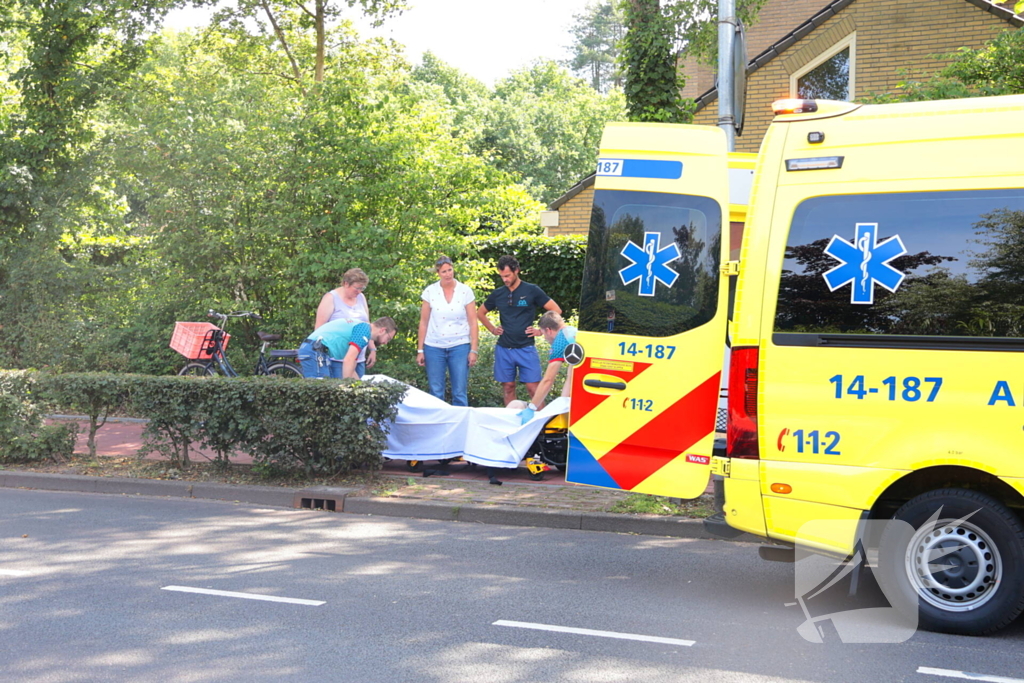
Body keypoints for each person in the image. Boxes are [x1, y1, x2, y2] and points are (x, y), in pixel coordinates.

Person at [476, 254, 561, 406]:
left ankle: (541, 426)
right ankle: (513, 424)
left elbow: (556, 310)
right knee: (508, 387)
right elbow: (480, 312)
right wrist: (492, 329)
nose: (505, 279)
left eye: (507, 275)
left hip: (526, 348)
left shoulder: (532, 290)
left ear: (516, 271)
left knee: (534, 389)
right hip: (504, 348)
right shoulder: (499, 293)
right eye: (502, 276)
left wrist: (540, 331)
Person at [416, 256, 478, 406]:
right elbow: (423, 322)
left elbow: (473, 323)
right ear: (438, 273)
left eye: (450, 270)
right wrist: (420, 350)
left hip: (460, 345)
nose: (448, 274)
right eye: (444, 271)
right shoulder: (430, 291)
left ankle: (460, 426)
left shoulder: (465, 291)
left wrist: (474, 350)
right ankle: (438, 426)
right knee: (436, 391)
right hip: (434, 346)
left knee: (459, 391)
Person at [516, 311, 576, 424]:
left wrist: (531, 408)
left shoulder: (560, 341)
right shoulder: (571, 332)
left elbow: (548, 380)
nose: (544, 338)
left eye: (543, 334)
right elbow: (571, 377)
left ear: (548, 330)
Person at [314, 268, 374, 377]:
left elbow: (367, 325)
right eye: (357, 288)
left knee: (359, 390)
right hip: (337, 359)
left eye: (362, 288)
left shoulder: (361, 297)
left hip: (358, 358)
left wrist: (372, 349)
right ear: (346, 284)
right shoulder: (331, 298)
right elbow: (319, 330)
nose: (359, 291)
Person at [298, 317, 397, 379]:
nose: (385, 343)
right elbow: (348, 360)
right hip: (315, 349)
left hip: (317, 349)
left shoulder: (363, 330)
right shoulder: (363, 332)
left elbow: (351, 367)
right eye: (388, 338)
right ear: (382, 330)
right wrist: (349, 390)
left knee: (328, 387)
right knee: (320, 389)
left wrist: (360, 387)